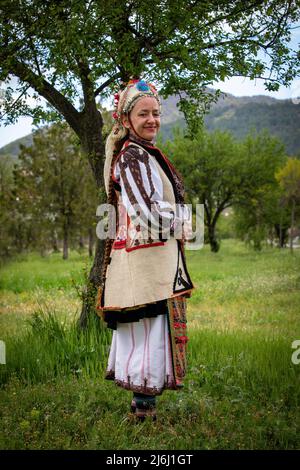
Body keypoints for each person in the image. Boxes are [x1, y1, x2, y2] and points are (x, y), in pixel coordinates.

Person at [96, 78, 194, 421]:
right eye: (143, 114)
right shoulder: (132, 157)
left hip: (153, 258)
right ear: (126, 120)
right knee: (146, 331)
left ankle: (142, 409)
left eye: (156, 113)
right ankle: (142, 412)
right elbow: (147, 213)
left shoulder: (146, 154)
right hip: (143, 261)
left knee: (150, 332)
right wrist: (185, 219)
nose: (152, 119)